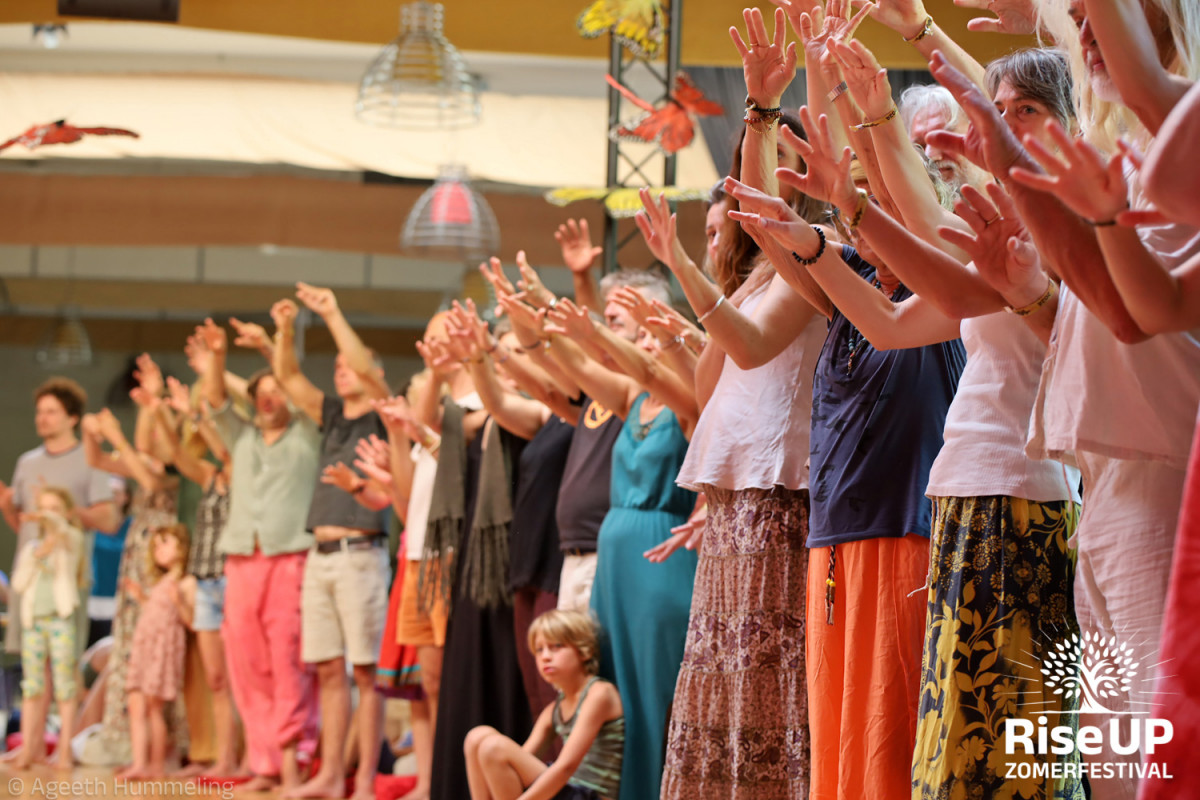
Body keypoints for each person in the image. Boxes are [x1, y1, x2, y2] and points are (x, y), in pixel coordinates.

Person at [270, 283, 393, 800]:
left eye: (349, 364)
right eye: (336, 365)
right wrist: (284, 331)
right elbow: (288, 379)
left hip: (360, 554)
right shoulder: (335, 415)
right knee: (326, 669)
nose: (341, 370)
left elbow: (364, 366)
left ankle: (363, 778)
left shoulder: (385, 412)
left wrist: (331, 314)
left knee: (366, 672)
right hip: (319, 555)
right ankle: (329, 774)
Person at [199, 316, 320, 794]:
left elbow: (292, 379)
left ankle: (294, 760)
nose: (269, 399)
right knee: (247, 663)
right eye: (261, 393)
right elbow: (215, 399)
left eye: (276, 390)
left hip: (290, 556)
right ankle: (264, 763)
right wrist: (217, 358)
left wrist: (275, 345)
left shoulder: (308, 433)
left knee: (288, 659)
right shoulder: (242, 436)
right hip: (242, 560)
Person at [0, 378, 117, 765]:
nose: (42, 419)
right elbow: (22, 525)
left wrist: (64, 514)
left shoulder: (88, 459)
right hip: (32, 579)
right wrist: (11, 509)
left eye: (51, 411)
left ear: (72, 417)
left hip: (66, 581)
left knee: (63, 666)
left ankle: (64, 745)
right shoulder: (27, 462)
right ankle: (31, 745)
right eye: (39, 412)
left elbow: (109, 518)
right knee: (32, 669)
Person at [463, 610, 623, 800]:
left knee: (493, 747)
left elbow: (566, 767)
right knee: (476, 737)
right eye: (539, 650)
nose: (545, 656)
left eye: (556, 646)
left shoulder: (599, 694)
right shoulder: (553, 711)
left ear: (584, 651)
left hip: (590, 795)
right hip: (568, 790)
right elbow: (515, 760)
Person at [10, 486, 86, 770]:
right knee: (32, 687)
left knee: (64, 687)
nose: (47, 514)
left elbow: (62, 529)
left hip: (60, 622)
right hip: (34, 624)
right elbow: (18, 584)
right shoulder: (32, 548)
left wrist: (49, 521)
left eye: (55, 508)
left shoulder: (71, 541)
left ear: (66, 513)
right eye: (44, 508)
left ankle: (64, 750)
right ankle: (29, 748)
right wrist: (37, 555)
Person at [118, 523, 190, 780]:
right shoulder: (160, 582)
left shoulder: (184, 582)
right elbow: (154, 611)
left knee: (153, 708)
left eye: (165, 543)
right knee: (135, 704)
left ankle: (156, 765)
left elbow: (189, 621)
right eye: (156, 545)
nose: (158, 550)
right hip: (144, 648)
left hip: (161, 651)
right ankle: (139, 763)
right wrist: (141, 598)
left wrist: (179, 602)